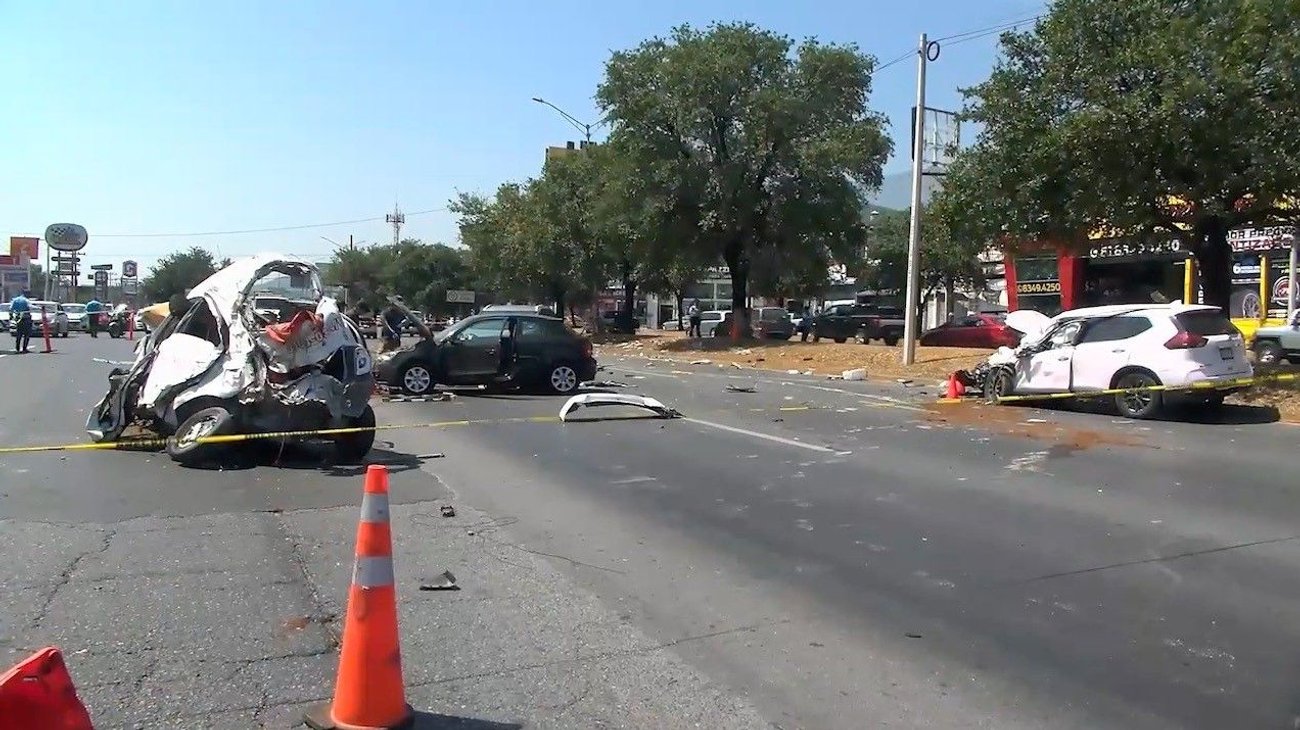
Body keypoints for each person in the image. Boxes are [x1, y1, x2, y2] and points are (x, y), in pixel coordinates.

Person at [10, 289, 32, 353]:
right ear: (27, 294)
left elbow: (11, 309)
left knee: (19, 334)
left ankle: (17, 348)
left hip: (18, 318)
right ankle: (24, 348)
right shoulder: (26, 300)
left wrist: (11, 316)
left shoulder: (15, 300)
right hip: (26, 318)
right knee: (27, 334)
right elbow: (30, 307)